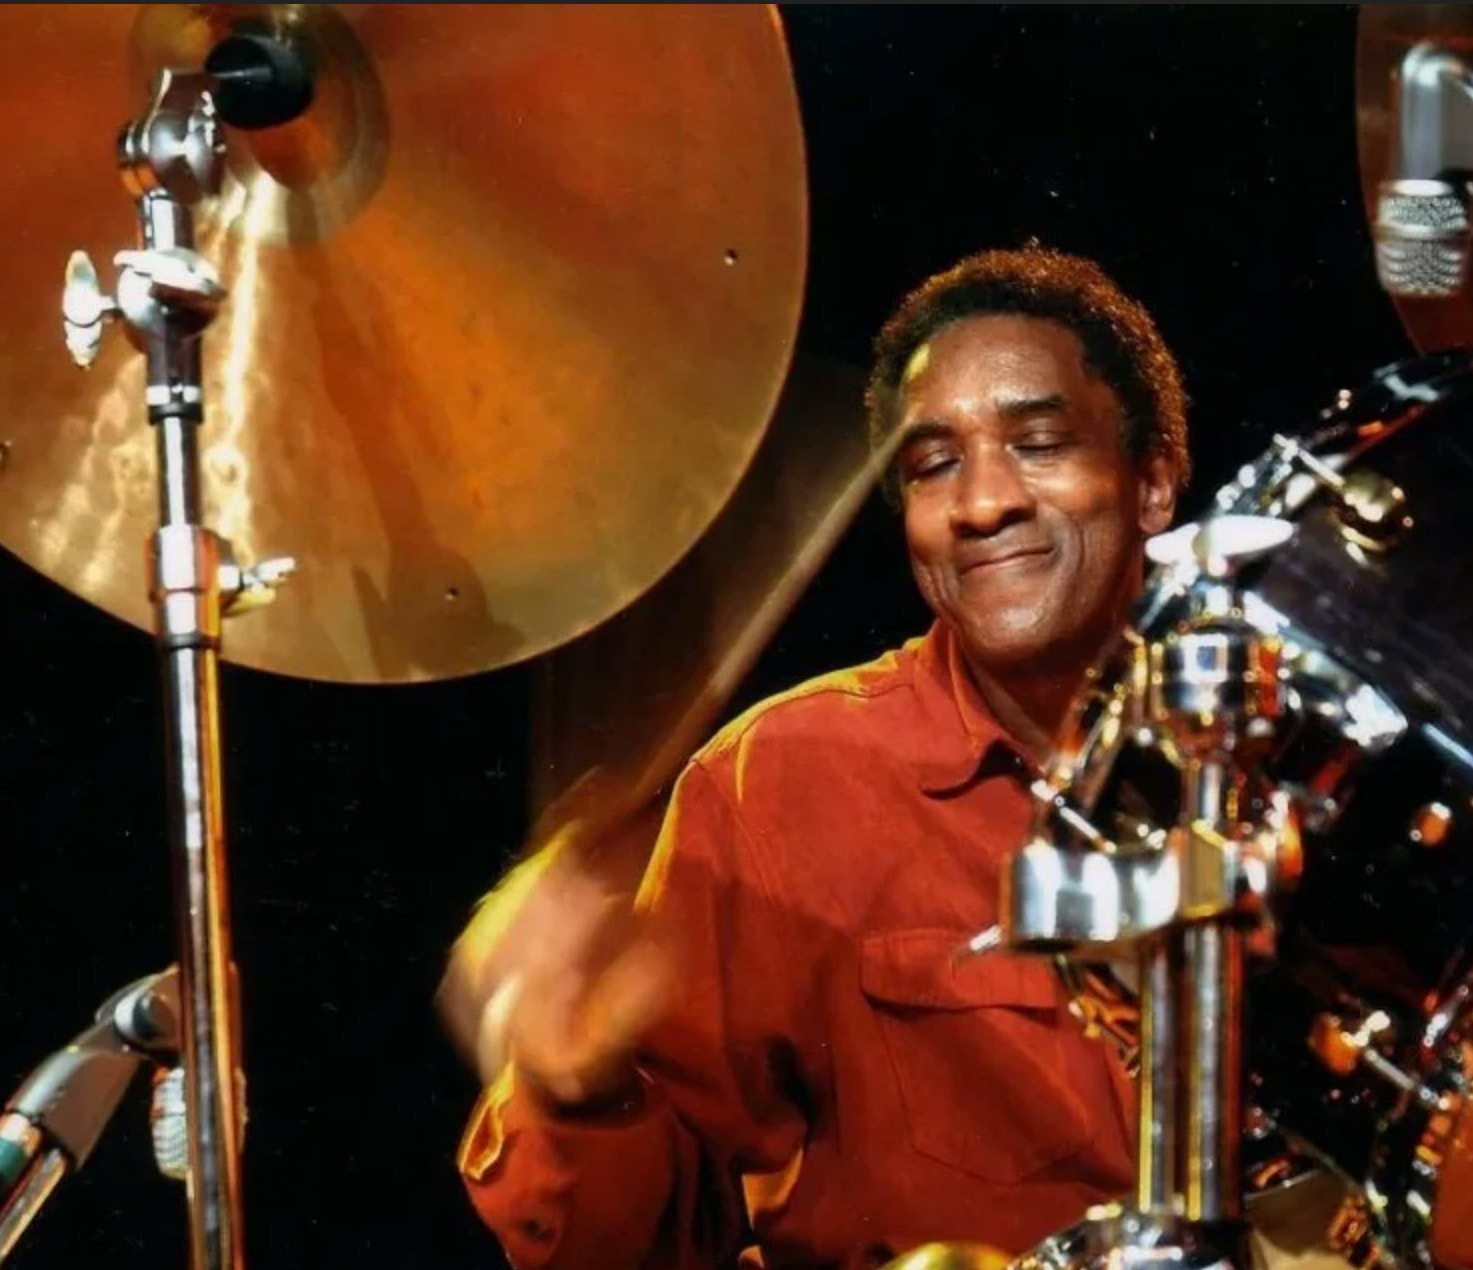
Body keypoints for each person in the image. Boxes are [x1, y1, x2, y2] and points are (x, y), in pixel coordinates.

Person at [439, 244, 1191, 1270]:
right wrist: (579, 1090)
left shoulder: (1293, 756)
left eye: (1039, 443)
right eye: (933, 465)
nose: (982, 504)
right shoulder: (779, 781)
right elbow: (630, 1244)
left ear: (1152, 482)